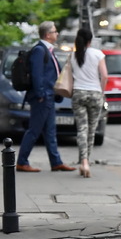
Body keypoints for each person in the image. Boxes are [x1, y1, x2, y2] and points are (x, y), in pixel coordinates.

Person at [16, 21, 76, 173]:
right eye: (55, 31)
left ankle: (56, 162)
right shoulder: (39, 50)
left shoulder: (48, 50)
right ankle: (22, 162)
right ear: (47, 34)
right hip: (42, 98)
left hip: (49, 97)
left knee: (50, 131)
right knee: (34, 130)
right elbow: (37, 74)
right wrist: (41, 93)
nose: (57, 34)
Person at [71, 28, 108, 178]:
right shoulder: (98, 54)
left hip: (78, 93)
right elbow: (105, 76)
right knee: (91, 130)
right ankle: (87, 162)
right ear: (90, 40)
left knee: (81, 129)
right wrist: (101, 92)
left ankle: (83, 161)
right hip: (95, 94)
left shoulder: (73, 56)